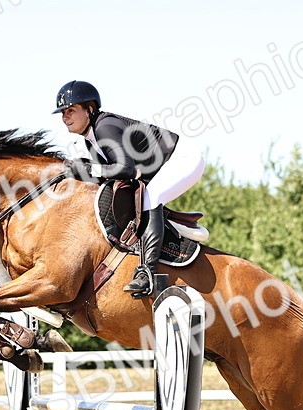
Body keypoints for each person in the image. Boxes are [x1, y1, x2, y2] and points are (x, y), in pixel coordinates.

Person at [53, 80, 205, 298]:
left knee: (152, 198)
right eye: (63, 113)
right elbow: (108, 176)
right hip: (159, 168)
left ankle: (148, 273)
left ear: (90, 109)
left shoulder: (105, 126)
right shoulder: (90, 140)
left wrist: (89, 168)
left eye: (71, 110)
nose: (65, 117)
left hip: (184, 159)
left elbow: (126, 169)